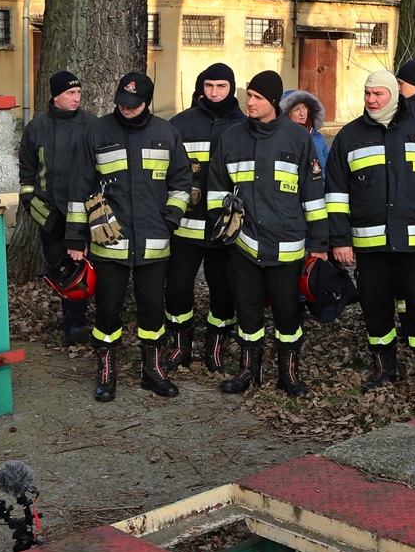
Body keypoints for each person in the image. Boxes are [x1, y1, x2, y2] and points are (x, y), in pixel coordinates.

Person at [326, 71, 415, 406]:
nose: (371, 100)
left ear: (394, 94)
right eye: (367, 93)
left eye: (379, 94)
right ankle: (384, 369)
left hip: (414, 244)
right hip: (369, 245)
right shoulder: (349, 136)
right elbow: (335, 194)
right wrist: (340, 240)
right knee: (375, 309)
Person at [65, 73, 193, 403]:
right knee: (108, 310)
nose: (126, 109)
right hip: (109, 240)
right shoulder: (96, 131)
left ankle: (153, 371)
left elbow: (182, 183)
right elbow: (80, 187)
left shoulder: (167, 133)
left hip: (154, 241)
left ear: (147, 102)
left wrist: (170, 220)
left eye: (133, 105)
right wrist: (76, 238)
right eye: (121, 103)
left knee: (153, 309)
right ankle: (106, 373)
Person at [206, 70, 329, 396]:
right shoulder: (231, 138)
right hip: (243, 245)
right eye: (249, 96)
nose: (250, 102)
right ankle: (248, 372)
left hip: (287, 246)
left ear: (273, 102)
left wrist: (319, 243)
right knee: (246, 311)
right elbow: (216, 187)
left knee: (288, 315)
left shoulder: (298, 138)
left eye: (257, 98)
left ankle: (289, 375)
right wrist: (225, 217)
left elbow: (314, 196)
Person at [165, 63, 246, 375]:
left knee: (223, 291)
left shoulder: (243, 124)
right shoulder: (181, 124)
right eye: (209, 86)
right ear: (201, 88)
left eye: (221, 86)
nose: (214, 92)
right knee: (177, 288)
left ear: (231, 88)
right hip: (185, 225)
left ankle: (215, 349)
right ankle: (181, 347)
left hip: (223, 229)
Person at [19, 70, 97, 345]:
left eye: (78, 93)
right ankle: (73, 325)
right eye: (70, 94)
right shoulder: (36, 127)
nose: (76, 98)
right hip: (50, 214)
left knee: (89, 267)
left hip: (85, 213)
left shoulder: (91, 124)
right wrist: (31, 202)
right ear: (55, 96)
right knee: (66, 271)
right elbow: (27, 170)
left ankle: (101, 323)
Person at [280, 89, 330, 166]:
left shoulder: (318, 137)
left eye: (304, 107)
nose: (302, 113)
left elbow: (330, 166)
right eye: (297, 109)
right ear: (287, 114)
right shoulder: (282, 139)